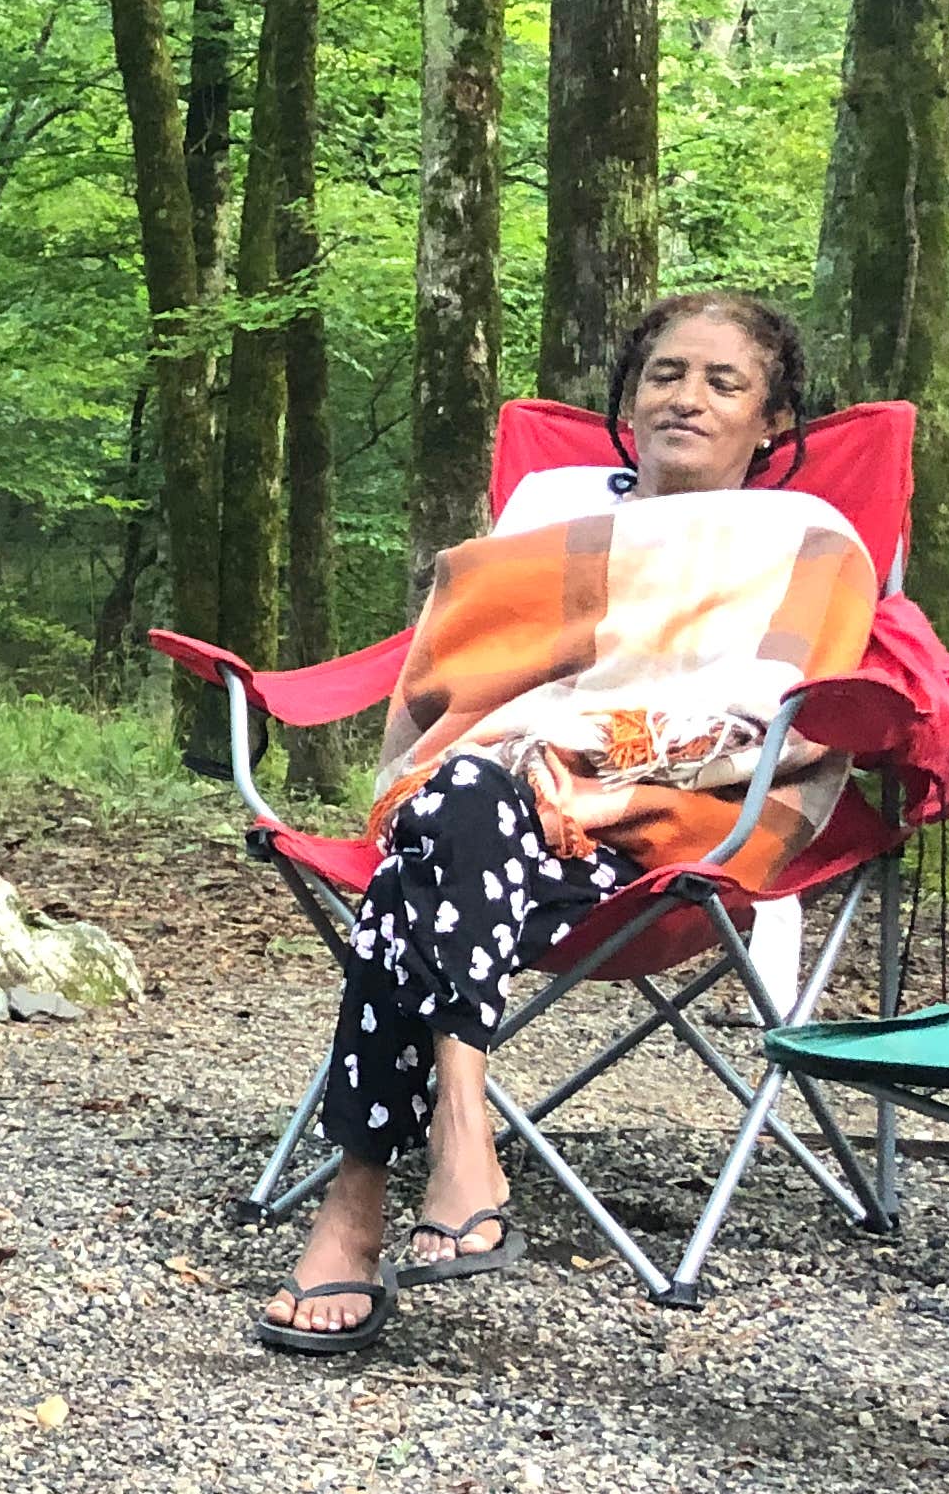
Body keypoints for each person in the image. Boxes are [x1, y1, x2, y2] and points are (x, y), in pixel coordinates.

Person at [263, 291, 883, 1353]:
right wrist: (522, 756)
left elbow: (788, 718)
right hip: (497, 808)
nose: (687, 398)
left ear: (772, 421)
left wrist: (598, 760)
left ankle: (356, 1205)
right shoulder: (552, 518)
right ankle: (461, 1127)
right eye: (665, 375)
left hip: (681, 833)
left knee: (431, 847)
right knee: (455, 803)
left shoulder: (807, 538)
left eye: (724, 383)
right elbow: (471, 675)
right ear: (629, 395)